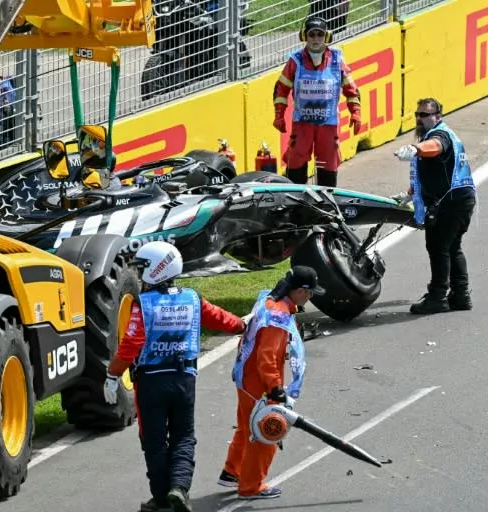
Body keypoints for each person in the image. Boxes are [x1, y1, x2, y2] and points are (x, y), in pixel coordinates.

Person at [104, 241, 247, 512]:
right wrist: (242, 325)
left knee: (154, 441)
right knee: (184, 436)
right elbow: (219, 318)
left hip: (151, 382)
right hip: (184, 380)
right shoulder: (192, 298)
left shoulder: (143, 304)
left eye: (143, 268)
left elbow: (131, 343)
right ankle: (179, 488)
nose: (139, 274)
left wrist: (113, 375)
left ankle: (161, 499)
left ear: (156, 269)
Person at [217, 265, 324, 500]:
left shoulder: (269, 300)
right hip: (259, 384)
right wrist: (275, 388)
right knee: (266, 433)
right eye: (309, 293)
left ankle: (232, 471)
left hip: (245, 376)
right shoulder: (278, 318)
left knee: (246, 427)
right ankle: (251, 486)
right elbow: (267, 358)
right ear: (299, 291)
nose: (310, 297)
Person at [394, 97, 476, 314]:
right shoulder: (437, 133)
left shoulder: (440, 135)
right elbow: (434, 174)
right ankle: (460, 295)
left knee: (438, 247)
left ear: (438, 116)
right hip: (459, 199)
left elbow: (435, 147)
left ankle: (438, 297)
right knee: (452, 247)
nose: (420, 119)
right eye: (417, 115)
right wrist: (411, 194)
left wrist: (416, 149)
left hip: (452, 202)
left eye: (425, 115)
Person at [272, 16, 362, 187]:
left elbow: (352, 90)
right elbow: (281, 89)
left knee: (327, 163)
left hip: (328, 125)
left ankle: (327, 201)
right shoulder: (295, 60)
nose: (315, 39)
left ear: (327, 36)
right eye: (311, 35)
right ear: (304, 36)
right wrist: (279, 115)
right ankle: (296, 200)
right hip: (302, 124)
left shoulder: (337, 60)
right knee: (296, 161)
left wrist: (356, 113)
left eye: (320, 35)